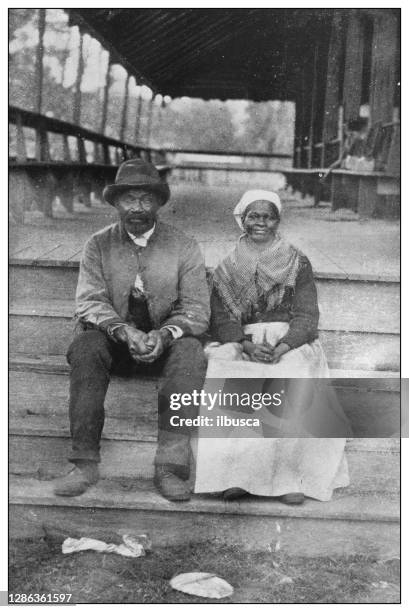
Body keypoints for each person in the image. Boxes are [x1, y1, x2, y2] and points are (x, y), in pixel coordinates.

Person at [53, 158, 210, 502]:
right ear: (116, 203)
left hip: (163, 344)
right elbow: (90, 301)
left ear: (158, 203)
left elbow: (198, 308)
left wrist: (165, 334)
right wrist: (123, 331)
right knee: (85, 347)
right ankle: (84, 464)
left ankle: (169, 467)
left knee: (192, 353)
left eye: (146, 199)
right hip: (115, 343)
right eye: (129, 199)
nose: (137, 208)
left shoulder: (184, 245)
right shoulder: (98, 244)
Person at [194, 190, 350, 504]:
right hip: (245, 338)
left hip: (286, 338)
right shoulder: (228, 266)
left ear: (277, 220)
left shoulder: (296, 260)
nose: (261, 223)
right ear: (242, 219)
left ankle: (288, 479)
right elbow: (221, 315)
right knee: (227, 365)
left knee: (293, 373)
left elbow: (307, 314)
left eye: (268, 216)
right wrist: (244, 344)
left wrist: (284, 346)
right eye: (254, 216)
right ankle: (235, 476)